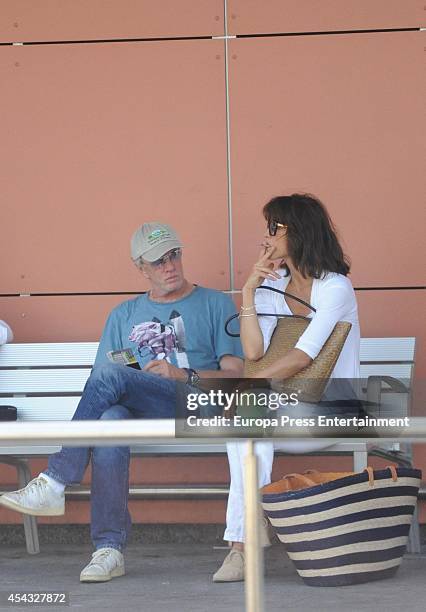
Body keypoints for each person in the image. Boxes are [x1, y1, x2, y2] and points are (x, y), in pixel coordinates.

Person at [0, 222, 244, 582]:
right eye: (158, 261)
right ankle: (109, 549)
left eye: (174, 255)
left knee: (110, 379)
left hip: (198, 403)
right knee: (110, 419)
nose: (169, 265)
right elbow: (109, 379)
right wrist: (141, 378)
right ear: (140, 267)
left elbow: (236, 374)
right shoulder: (123, 315)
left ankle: (55, 481)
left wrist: (182, 376)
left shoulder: (215, 303)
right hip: (145, 406)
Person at [213, 193, 360, 582]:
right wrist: (249, 291)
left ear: (299, 232)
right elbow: (253, 348)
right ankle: (243, 545)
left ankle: (243, 542)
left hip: (333, 409)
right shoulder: (272, 286)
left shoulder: (335, 288)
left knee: (248, 416)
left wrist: (247, 386)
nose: (267, 237)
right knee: (247, 426)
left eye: (274, 228)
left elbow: (303, 356)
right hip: (285, 409)